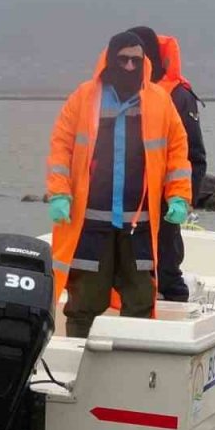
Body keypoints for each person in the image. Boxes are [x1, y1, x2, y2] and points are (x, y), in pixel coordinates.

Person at [45, 31, 193, 337]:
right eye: (122, 59)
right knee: (84, 300)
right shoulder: (84, 98)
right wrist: (59, 194)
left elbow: (178, 155)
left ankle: (134, 363)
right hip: (91, 222)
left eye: (135, 60)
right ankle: (78, 357)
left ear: (144, 63)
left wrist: (179, 198)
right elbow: (61, 148)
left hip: (137, 224)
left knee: (140, 298)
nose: (129, 66)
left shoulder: (160, 102)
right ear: (110, 60)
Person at [126, 26, 206, 302]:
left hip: (164, 199)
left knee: (167, 266)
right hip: (127, 200)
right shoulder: (122, 92)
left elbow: (194, 155)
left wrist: (183, 200)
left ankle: (175, 311)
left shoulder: (178, 96)